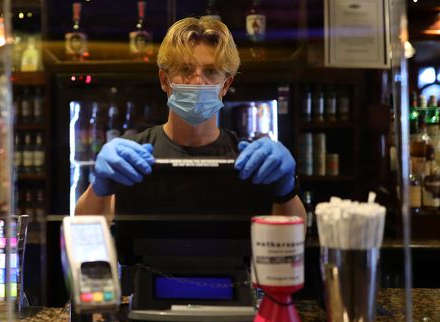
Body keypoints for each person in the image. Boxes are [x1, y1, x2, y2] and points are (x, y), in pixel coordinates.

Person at [75, 17, 306, 224]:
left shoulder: (248, 160)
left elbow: (293, 234)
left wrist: (285, 189)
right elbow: (86, 232)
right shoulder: (134, 156)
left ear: (225, 84)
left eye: (211, 71)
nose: (197, 81)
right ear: (164, 80)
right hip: (146, 272)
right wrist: (99, 186)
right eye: (186, 69)